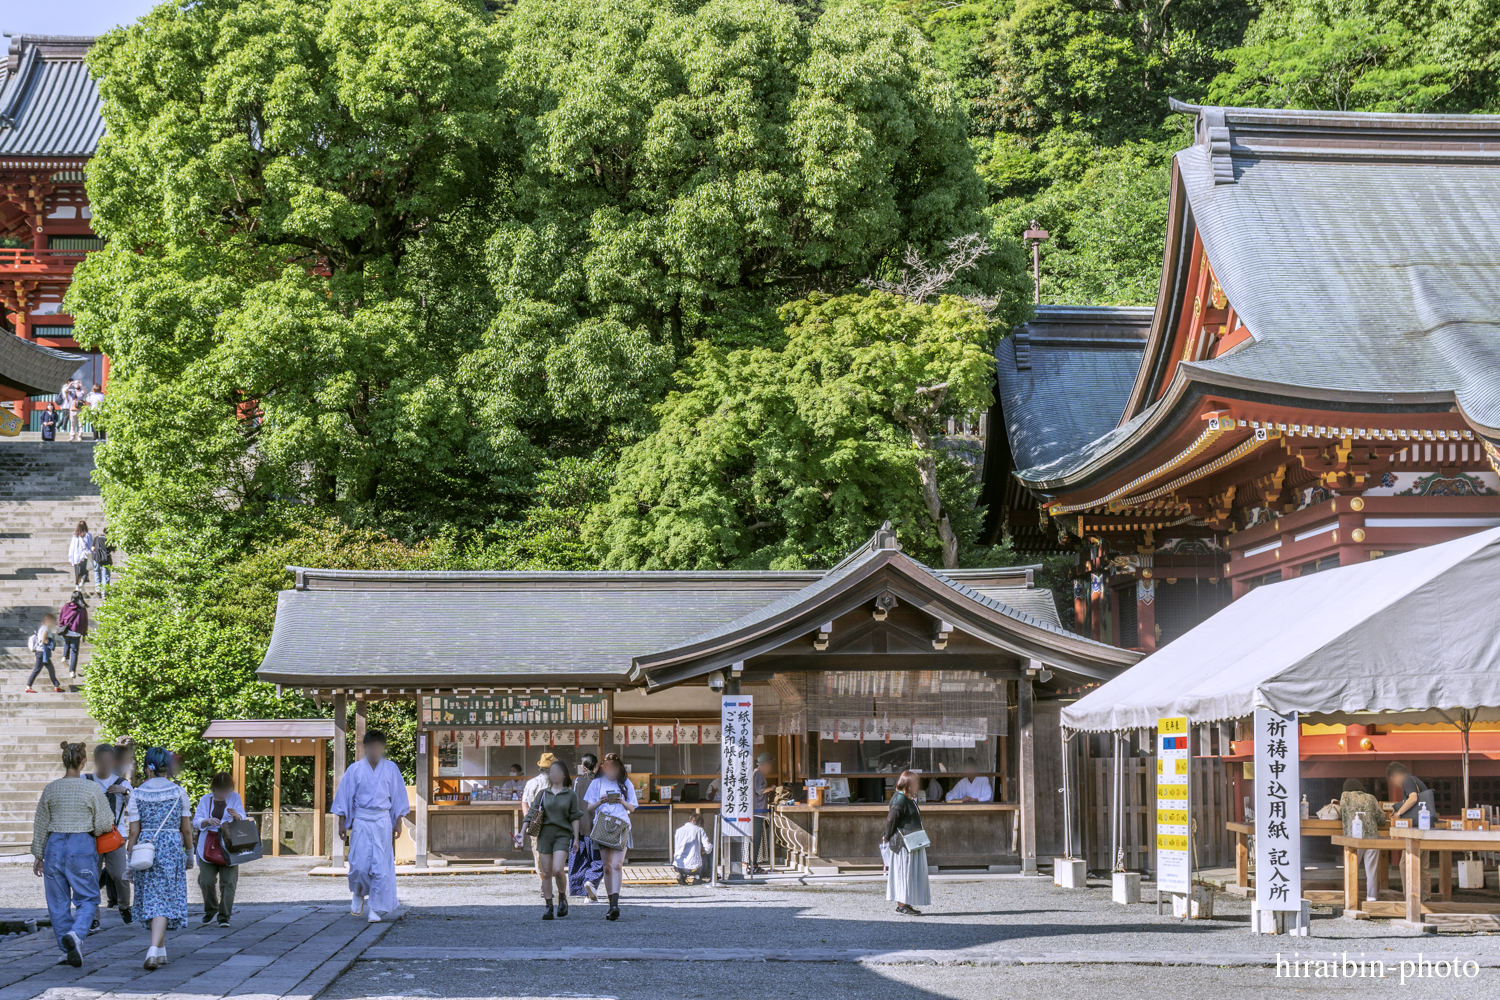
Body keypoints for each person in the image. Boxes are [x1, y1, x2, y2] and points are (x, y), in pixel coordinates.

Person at [32, 741, 114, 967]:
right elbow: (105, 823)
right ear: (84, 762)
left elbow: (41, 824)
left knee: (57, 902)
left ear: (63, 761)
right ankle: (76, 935)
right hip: (81, 845)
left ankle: (64, 949)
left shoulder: (51, 788)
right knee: (87, 899)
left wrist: (38, 854)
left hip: (54, 846)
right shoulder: (91, 788)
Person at [124, 747, 193, 970]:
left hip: (146, 847)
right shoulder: (178, 792)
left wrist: (129, 860)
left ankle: (158, 950)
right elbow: (187, 830)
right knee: (163, 898)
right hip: (172, 846)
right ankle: (156, 950)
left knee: (153, 897)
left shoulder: (137, 793)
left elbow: (133, 831)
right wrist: (190, 854)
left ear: (148, 767)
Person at [331, 730, 409, 923]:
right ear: (365, 747)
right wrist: (342, 822)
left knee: (380, 868)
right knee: (359, 865)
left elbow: (398, 796)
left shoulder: (391, 768)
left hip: (382, 821)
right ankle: (358, 892)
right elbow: (344, 796)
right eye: (371, 746)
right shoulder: (355, 769)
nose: (375, 750)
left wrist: (397, 821)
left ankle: (375, 908)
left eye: (378, 746)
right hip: (361, 820)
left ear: (382, 748)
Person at [582, 752, 637, 920]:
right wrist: (601, 801)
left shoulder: (626, 783)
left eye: (614, 767)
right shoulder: (596, 783)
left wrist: (621, 801)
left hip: (621, 825)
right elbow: (589, 808)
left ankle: (615, 904)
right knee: (606, 866)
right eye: (608, 767)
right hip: (603, 825)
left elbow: (633, 808)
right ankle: (611, 902)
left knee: (617, 865)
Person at [85, 744, 133, 922]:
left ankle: (124, 906)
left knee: (120, 875)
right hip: (91, 837)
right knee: (91, 878)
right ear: (96, 761)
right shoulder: (85, 779)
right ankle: (93, 916)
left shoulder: (122, 783)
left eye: (108, 760)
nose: (104, 763)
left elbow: (135, 808)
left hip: (117, 837)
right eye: (101, 760)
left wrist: (125, 792)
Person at [193, 772, 246, 927]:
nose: (223, 793)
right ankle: (211, 909)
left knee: (229, 882)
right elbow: (196, 821)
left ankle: (224, 916)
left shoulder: (235, 797)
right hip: (208, 844)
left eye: (226, 789)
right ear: (214, 787)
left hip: (229, 844)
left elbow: (242, 816)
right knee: (206, 881)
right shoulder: (205, 799)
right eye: (220, 789)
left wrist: (237, 816)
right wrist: (206, 820)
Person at [533, 759, 582, 920]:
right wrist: (522, 831)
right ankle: (548, 906)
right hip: (545, 835)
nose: (554, 774)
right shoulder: (543, 793)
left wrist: (575, 838)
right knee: (546, 872)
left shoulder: (570, 794)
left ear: (564, 775)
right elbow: (531, 813)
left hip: (562, 834)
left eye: (557, 772)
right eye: (551, 772)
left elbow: (575, 817)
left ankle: (562, 897)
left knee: (558, 870)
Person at [883, 770, 931, 916]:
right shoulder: (899, 798)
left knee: (908, 873)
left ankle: (905, 903)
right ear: (907, 784)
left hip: (910, 841)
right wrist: (887, 836)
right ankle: (902, 905)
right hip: (903, 843)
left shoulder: (907, 798)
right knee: (903, 873)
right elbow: (891, 820)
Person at [1339, 778, 1384, 903]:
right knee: (1372, 872)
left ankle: (1351, 899)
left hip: (1353, 838)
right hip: (1371, 838)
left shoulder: (1345, 796)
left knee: (1352, 870)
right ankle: (1372, 899)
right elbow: (1381, 818)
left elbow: (1341, 813)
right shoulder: (1371, 798)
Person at [569, 753, 604, 903]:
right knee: (600, 860)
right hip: (597, 827)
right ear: (596, 766)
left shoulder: (576, 782)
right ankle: (591, 882)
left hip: (578, 827)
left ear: (582, 767)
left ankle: (581, 891)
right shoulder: (601, 781)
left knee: (579, 860)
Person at [520, 753, 556, 863]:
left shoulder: (531, 782)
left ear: (540, 767)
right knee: (554, 854)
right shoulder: (557, 782)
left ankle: (542, 879)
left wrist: (530, 820)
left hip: (535, 821)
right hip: (554, 822)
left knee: (538, 855)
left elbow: (524, 803)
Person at [749, 752, 774, 874]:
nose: (770, 768)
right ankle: (753, 866)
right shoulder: (758, 773)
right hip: (757, 811)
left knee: (756, 838)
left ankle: (753, 865)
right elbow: (760, 790)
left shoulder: (756, 773)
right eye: (770, 765)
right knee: (756, 838)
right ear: (765, 765)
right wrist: (772, 788)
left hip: (756, 811)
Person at [673, 812, 713, 884]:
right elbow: (708, 848)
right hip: (695, 868)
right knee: (709, 852)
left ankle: (682, 875)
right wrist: (703, 850)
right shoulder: (699, 830)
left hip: (678, 866)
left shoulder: (678, 830)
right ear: (699, 822)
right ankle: (697, 877)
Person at [26, 612, 61, 693]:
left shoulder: (43, 627)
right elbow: (43, 639)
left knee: (51, 669)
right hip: (42, 653)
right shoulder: (45, 628)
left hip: (41, 653)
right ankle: (28, 686)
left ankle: (56, 686)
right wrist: (49, 644)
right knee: (37, 670)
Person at [58, 590, 89, 680]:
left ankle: (65, 657)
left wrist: (61, 625)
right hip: (76, 632)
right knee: (74, 652)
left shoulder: (66, 606)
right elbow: (85, 622)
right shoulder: (82, 609)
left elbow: (61, 617)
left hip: (66, 630)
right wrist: (84, 634)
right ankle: (72, 671)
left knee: (67, 643)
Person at [68, 521, 92, 588]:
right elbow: (90, 546)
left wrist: (70, 557)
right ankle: (82, 581)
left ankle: (77, 586)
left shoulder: (75, 536)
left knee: (77, 572)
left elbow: (71, 547)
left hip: (76, 557)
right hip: (84, 556)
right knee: (84, 571)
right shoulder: (88, 535)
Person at [91, 527, 114, 599]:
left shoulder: (97, 537)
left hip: (97, 557)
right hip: (106, 558)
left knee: (97, 571)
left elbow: (92, 548)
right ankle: (105, 592)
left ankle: (98, 587)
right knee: (106, 574)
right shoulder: (109, 539)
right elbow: (113, 549)